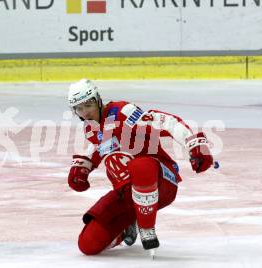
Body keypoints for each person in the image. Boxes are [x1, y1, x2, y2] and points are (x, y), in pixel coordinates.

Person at [67, 79, 214, 256]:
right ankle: (126, 229)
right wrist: (84, 165)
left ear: (98, 99)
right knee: (88, 244)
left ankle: (147, 228)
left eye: (88, 105)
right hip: (126, 193)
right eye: (79, 109)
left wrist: (193, 144)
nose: (85, 112)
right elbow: (100, 145)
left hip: (161, 181)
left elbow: (166, 122)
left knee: (141, 166)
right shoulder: (89, 128)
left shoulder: (123, 111)